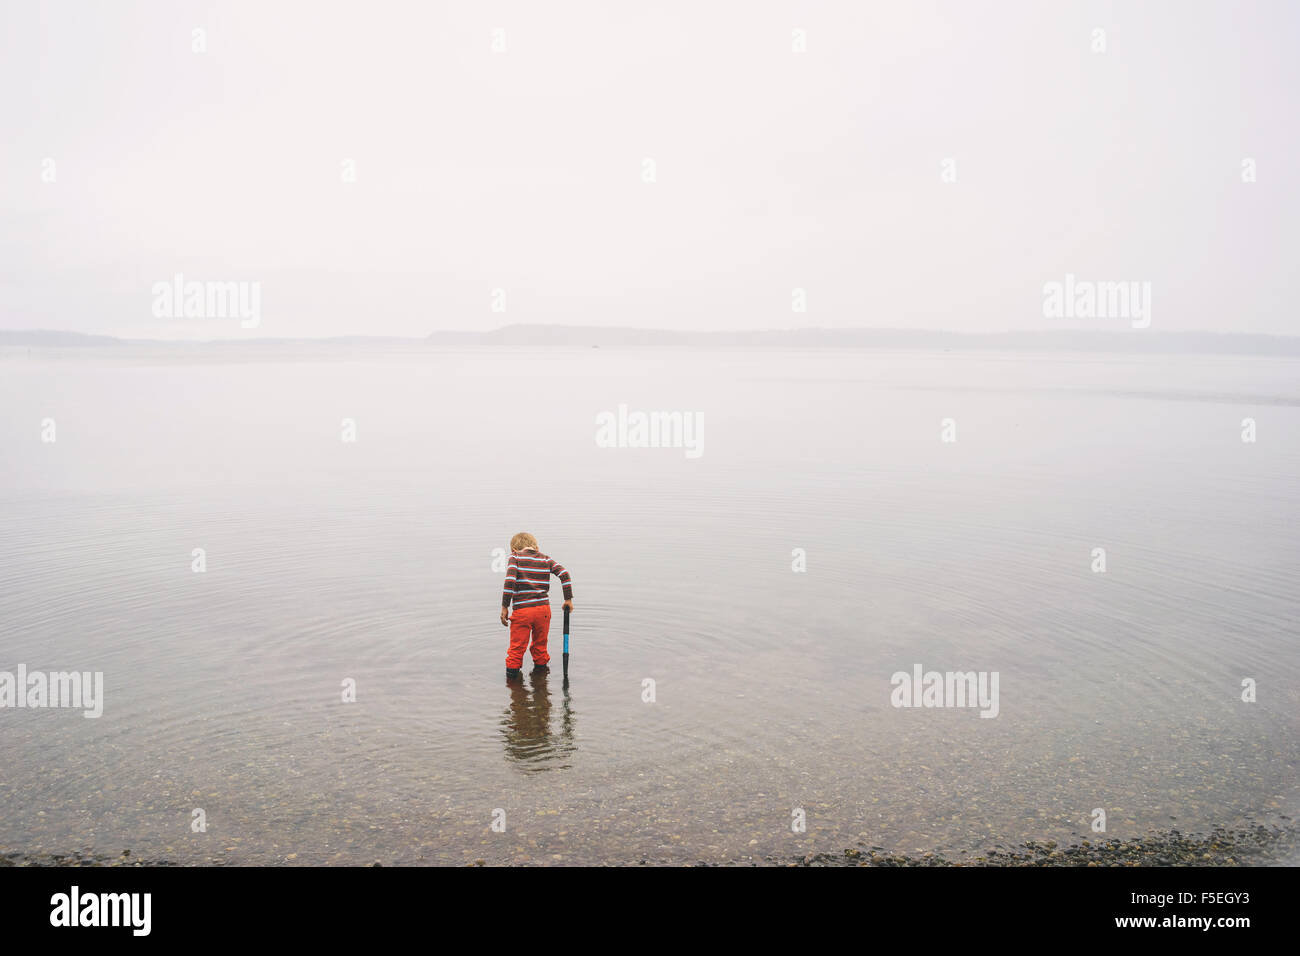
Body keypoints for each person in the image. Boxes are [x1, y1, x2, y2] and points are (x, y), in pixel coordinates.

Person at [500, 532, 573, 679]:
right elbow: (564, 574)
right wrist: (568, 600)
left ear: (513, 549)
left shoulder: (515, 558)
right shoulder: (545, 559)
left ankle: (514, 689)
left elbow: (510, 582)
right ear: (536, 547)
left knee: (517, 648)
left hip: (523, 611)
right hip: (543, 611)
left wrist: (504, 607)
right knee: (540, 646)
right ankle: (541, 682)